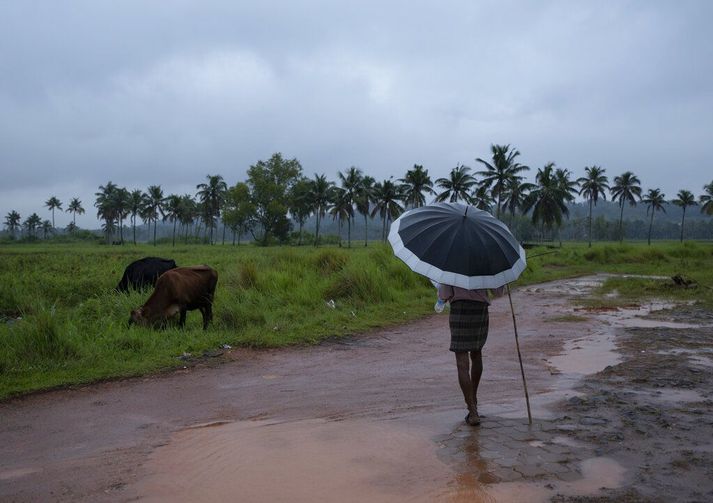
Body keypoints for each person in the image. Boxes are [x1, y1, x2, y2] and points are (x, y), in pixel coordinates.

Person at [437, 283, 505, 426]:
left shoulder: (452, 262)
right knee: (477, 353)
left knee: (462, 362)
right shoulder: (486, 261)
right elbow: (498, 291)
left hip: (459, 309)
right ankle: (473, 398)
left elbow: (444, 294)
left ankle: (472, 410)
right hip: (479, 309)